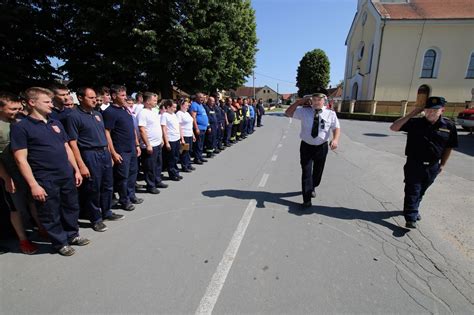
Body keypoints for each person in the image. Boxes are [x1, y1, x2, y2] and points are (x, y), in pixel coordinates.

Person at [11, 87, 90, 256]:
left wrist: (75, 169)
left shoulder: (55, 123)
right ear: (32, 103)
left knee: (71, 207)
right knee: (50, 212)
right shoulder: (21, 127)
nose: (51, 105)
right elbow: (20, 159)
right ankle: (59, 242)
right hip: (45, 178)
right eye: (46, 102)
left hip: (66, 174)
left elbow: (67, 147)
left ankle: (72, 235)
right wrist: (33, 185)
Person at [390, 96, 458, 229]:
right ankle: (411, 217)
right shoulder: (415, 123)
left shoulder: (449, 126)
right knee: (413, 190)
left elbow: (449, 147)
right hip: (414, 164)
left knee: (421, 190)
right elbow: (393, 127)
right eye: (427, 110)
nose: (430, 113)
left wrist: (442, 164)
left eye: (434, 110)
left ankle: (412, 208)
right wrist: (411, 114)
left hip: (433, 166)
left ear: (442, 111)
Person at [65, 87, 124, 233]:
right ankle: (95, 219)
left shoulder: (97, 114)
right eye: (90, 98)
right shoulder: (74, 116)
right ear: (80, 98)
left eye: (95, 98)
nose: (94, 100)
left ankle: (107, 211)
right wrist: (81, 165)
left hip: (104, 153)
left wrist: (110, 153)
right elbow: (73, 143)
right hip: (89, 155)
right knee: (93, 188)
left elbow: (104, 136)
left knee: (108, 185)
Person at [0, 92, 43, 254]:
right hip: (10, 175)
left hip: (26, 172)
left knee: (33, 202)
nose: (16, 111)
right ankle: (23, 240)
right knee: (16, 209)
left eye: (18, 108)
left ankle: (40, 228)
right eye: (12, 109)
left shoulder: (19, 122)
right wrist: (6, 178)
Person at [285, 88, 340, 208]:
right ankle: (307, 199)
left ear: (324, 101)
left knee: (317, 173)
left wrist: (335, 139)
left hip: (322, 147)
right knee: (306, 172)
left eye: (318, 100)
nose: (315, 102)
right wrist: (299, 102)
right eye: (314, 99)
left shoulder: (330, 113)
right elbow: (288, 113)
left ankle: (313, 186)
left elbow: (336, 128)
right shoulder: (304, 111)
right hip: (306, 147)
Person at [103, 85, 143, 211]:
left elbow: (132, 128)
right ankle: (124, 199)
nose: (125, 98)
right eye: (122, 95)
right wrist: (113, 152)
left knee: (132, 174)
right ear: (114, 96)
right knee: (122, 177)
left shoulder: (125, 109)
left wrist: (137, 144)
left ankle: (131, 195)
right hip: (121, 150)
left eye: (125, 95)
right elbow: (107, 132)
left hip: (131, 148)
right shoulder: (109, 112)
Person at [137, 92, 168, 194]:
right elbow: (142, 129)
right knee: (149, 167)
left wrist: (161, 139)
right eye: (154, 100)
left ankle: (157, 180)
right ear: (147, 101)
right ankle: (150, 185)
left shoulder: (154, 111)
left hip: (157, 143)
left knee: (158, 164)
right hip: (149, 145)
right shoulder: (142, 113)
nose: (156, 102)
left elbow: (157, 126)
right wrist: (148, 144)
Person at [161, 99, 182, 181]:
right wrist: (167, 142)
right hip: (170, 139)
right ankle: (172, 174)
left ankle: (176, 171)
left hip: (176, 139)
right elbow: (164, 129)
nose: (175, 109)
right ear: (168, 107)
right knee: (171, 158)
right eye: (173, 107)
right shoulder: (164, 115)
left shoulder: (174, 115)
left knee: (176, 157)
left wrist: (180, 138)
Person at [176, 98, 195, 172]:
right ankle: (184, 166)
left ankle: (188, 164)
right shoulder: (179, 114)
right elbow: (179, 126)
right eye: (186, 105)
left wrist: (193, 135)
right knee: (184, 151)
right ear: (181, 105)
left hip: (189, 134)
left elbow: (190, 125)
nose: (187, 107)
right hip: (184, 135)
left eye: (188, 105)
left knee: (189, 150)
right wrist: (182, 138)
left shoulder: (187, 113)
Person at [189, 93, 209, 164]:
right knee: (198, 144)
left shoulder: (201, 105)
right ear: (196, 97)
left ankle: (200, 156)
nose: (202, 99)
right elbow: (193, 117)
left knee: (201, 144)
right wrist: (196, 128)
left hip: (203, 128)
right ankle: (197, 158)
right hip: (199, 128)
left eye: (203, 97)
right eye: (200, 97)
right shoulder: (194, 105)